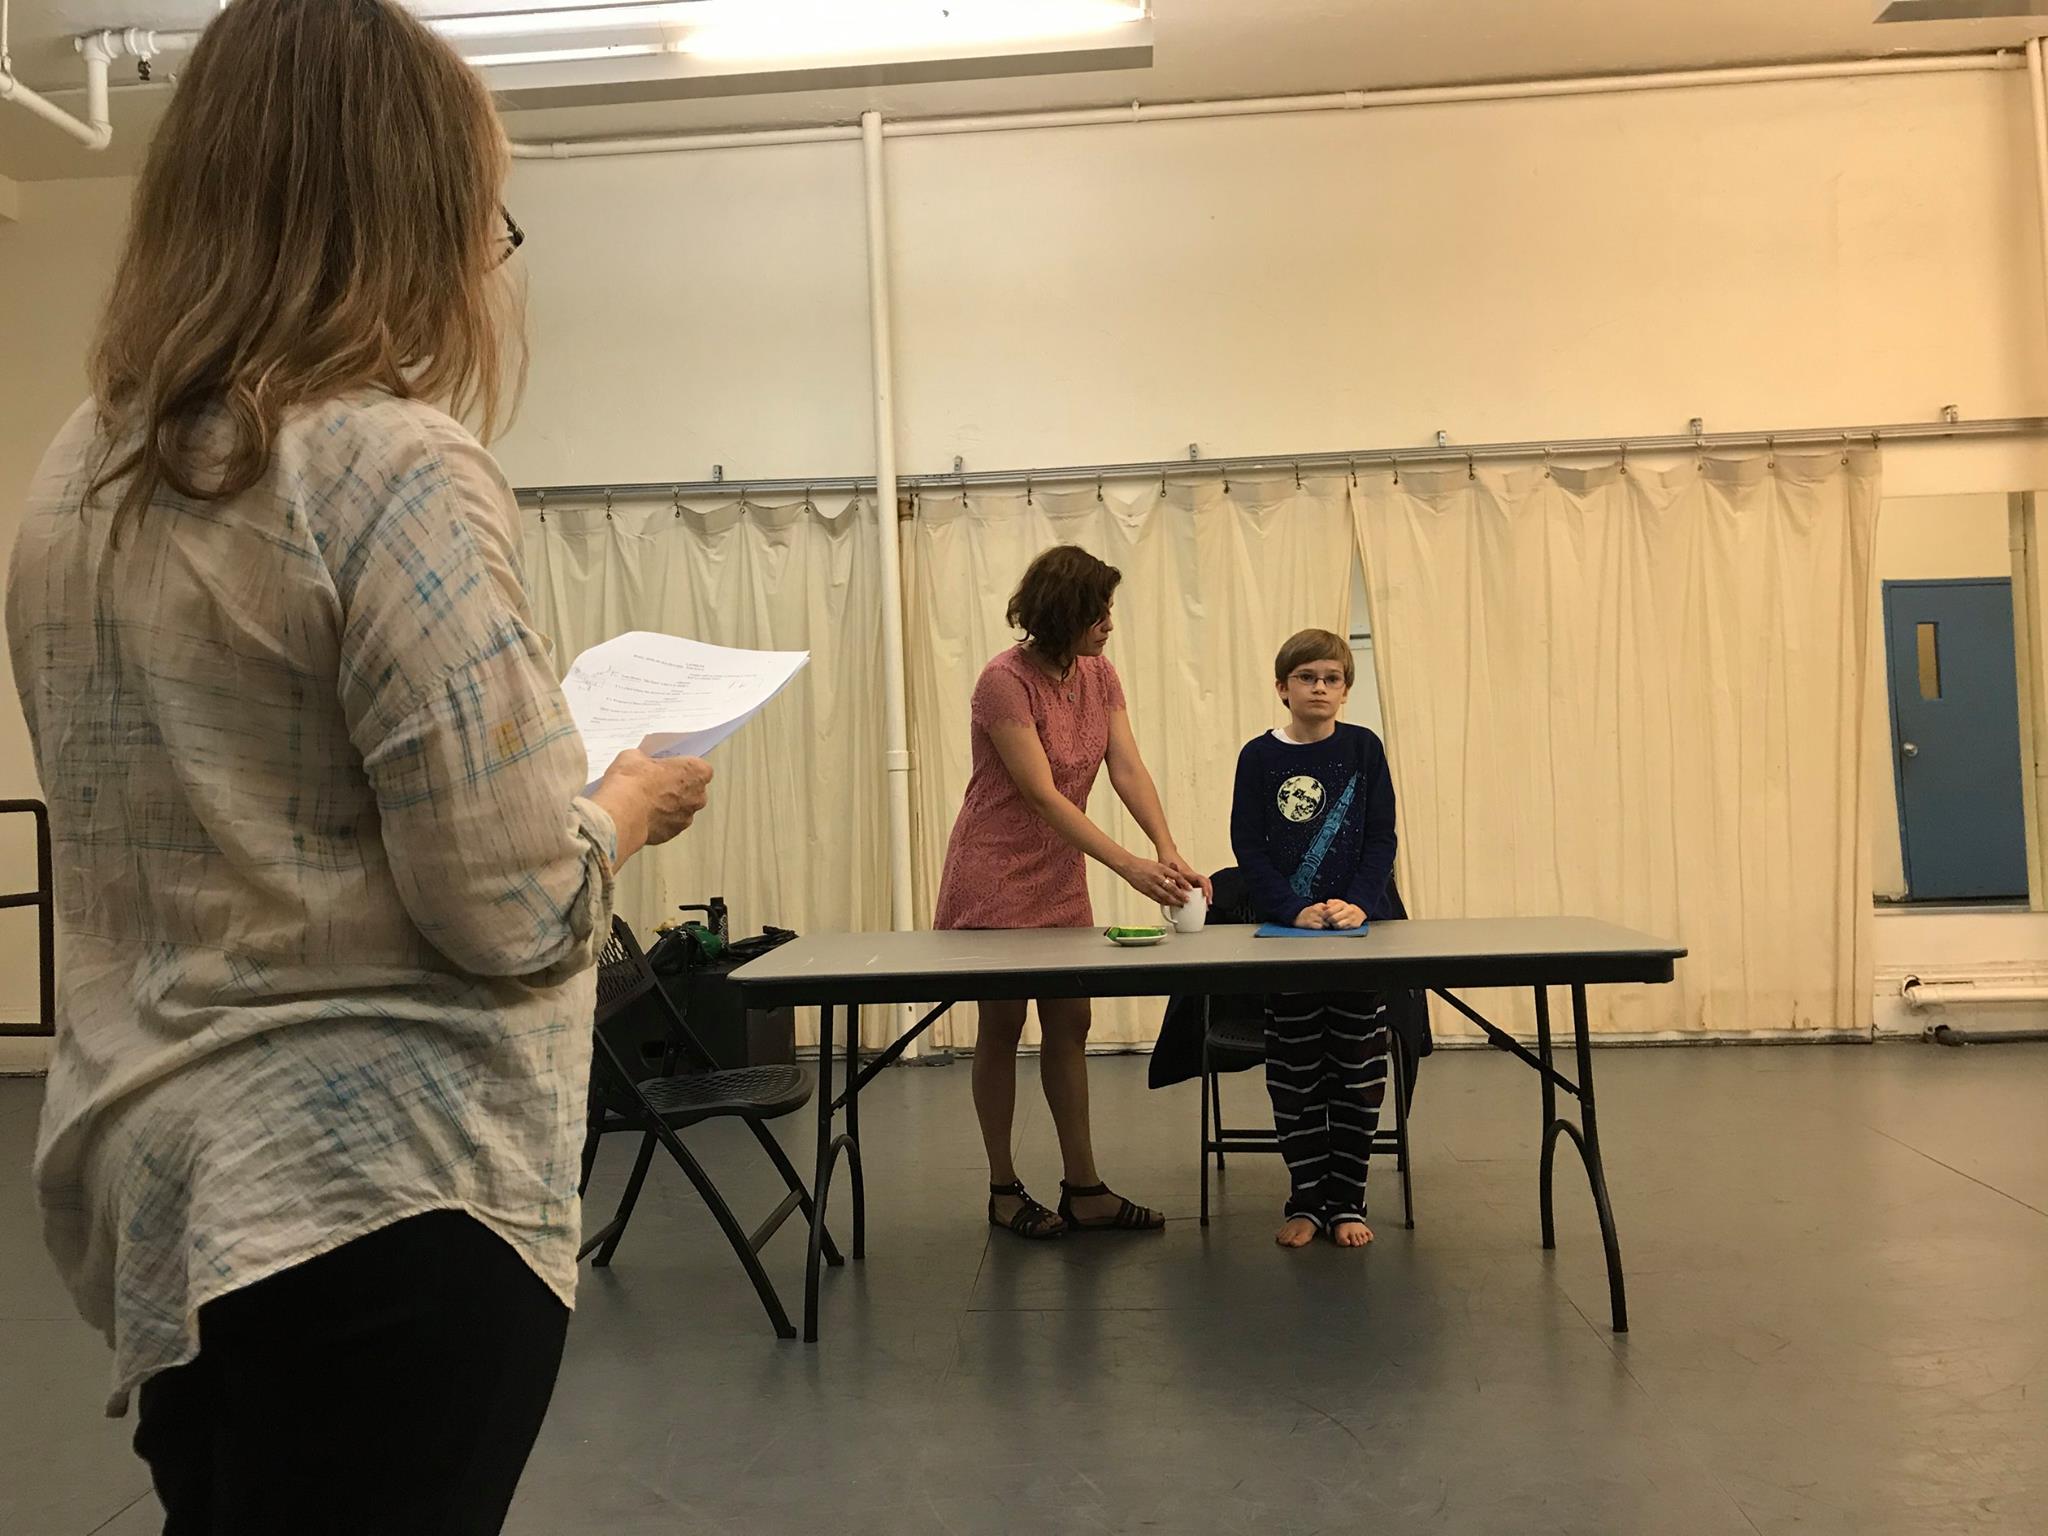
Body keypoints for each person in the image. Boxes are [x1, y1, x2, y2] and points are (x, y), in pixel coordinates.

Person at [4, 3, 715, 1531]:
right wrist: (619, 808)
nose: (484, 264)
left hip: (168, 1190)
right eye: (485, 220)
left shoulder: (76, 477)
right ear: (407, 212)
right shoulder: (388, 464)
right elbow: (510, 909)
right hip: (387, 1194)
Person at [934, 545, 1212, 1239]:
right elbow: (1040, 794)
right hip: (995, 872)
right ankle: (1003, 1190)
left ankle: (1084, 1188)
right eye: (1099, 611)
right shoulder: (1004, 681)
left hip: (1060, 870)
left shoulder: (1099, 674)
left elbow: (1127, 766)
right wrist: (1128, 867)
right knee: (1002, 1024)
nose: (1109, 624)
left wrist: (1166, 848)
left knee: (1071, 1020)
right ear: (1064, 613)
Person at [1229, 628, 1399, 1251]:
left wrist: (1359, 903)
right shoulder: (1258, 757)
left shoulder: (1364, 748)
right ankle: (1306, 1199)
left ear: (1346, 689)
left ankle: (1348, 1200)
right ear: (1283, 687)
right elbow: (1248, 845)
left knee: (1357, 1072)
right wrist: (1291, 909)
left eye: (1331, 678)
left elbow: (1381, 837)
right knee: (1295, 1074)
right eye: (1306, 678)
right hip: (1288, 941)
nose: (1319, 688)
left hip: (1355, 939)